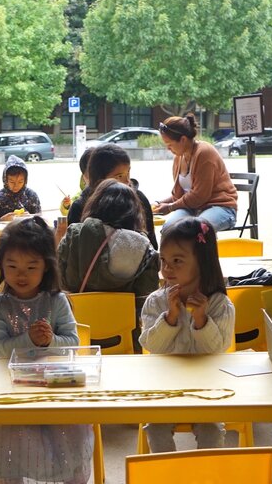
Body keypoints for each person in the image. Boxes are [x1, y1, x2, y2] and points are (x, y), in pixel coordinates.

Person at [0, 216, 93, 484]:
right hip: (13, 385)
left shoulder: (56, 301)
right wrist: (29, 339)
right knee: (7, 432)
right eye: (12, 266)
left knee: (70, 430)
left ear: (46, 266)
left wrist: (50, 340)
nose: (21, 274)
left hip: (54, 384)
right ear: (1, 265)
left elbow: (73, 341)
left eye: (31, 267)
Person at [139, 217, 234, 452]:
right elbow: (151, 345)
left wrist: (201, 319)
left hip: (206, 388)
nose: (167, 268)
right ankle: (169, 477)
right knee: (156, 427)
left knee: (211, 429)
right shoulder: (156, 301)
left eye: (177, 260)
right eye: (163, 260)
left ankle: (205, 480)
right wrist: (170, 318)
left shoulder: (219, 304)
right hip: (165, 389)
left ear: (202, 262)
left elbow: (218, 349)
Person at [58, 179, 160, 349]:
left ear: (96, 205)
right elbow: (147, 300)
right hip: (125, 343)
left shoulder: (74, 236)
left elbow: (59, 284)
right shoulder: (143, 248)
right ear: (134, 213)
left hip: (76, 339)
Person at [154, 114, 238, 232]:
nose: (168, 149)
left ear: (183, 140)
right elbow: (178, 196)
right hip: (192, 208)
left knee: (197, 230)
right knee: (169, 230)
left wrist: (169, 208)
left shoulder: (204, 152)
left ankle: (206, 250)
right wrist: (158, 204)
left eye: (170, 145)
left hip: (221, 207)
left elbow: (199, 196)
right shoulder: (179, 157)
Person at [67, 143, 158, 249]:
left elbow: (152, 246)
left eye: (128, 172)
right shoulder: (79, 207)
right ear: (99, 180)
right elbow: (74, 254)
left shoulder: (139, 199)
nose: (127, 181)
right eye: (119, 176)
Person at [0, 155, 42, 222]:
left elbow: (41, 223)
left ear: (25, 180)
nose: (16, 186)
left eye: (20, 182)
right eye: (12, 182)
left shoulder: (31, 195)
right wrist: (1, 220)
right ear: (5, 180)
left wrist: (31, 218)